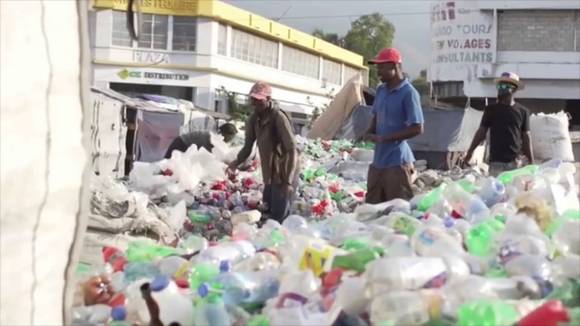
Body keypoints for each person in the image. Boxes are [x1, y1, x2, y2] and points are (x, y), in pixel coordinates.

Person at [227, 81, 299, 222]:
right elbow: (248, 147)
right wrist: (235, 163)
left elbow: (292, 150)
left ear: (268, 99)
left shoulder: (279, 118)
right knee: (267, 211)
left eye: (259, 100)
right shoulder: (254, 120)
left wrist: (288, 182)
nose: (255, 103)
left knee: (279, 217)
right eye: (253, 100)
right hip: (270, 174)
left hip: (284, 172)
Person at [363, 47, 424, 204]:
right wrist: (369, 131)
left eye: (381, 67)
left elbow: (418, 127)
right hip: (378, 162)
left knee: (398, 211)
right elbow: (376, 115)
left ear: (394, 66)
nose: (378, 72)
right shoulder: (381, 90)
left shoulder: (409, 93)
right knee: (371, 211)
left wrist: (385, 138)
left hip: (397, 163)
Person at [463, 72, 534, 176]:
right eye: (499, 86)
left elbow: (526, 137)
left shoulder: (523, 112)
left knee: (513, 191)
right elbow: (481, 132)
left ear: (514, 89)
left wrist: (531, 161)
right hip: (496, 162)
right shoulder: (491, 110)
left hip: (514, 163)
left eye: (505, 86)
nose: (501, 89)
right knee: (495, 191)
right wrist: (470, 153)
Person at [164, 123, 237, 158]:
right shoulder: (212, 138)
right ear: (223, 134)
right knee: (169, 166)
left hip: (187, 147)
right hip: (181, 144)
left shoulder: (216, 139)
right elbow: (209, 154)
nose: (228, 141)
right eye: (229, 138)